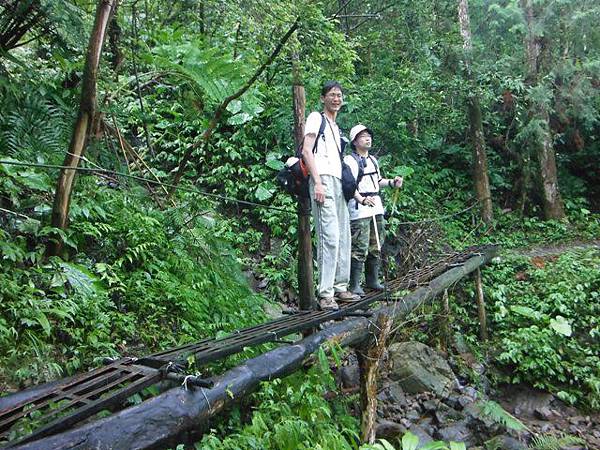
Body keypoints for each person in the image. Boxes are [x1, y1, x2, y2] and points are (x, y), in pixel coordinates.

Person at [302, 81, 359, 310]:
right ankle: (325, 293)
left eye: (339, 95)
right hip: (322, 180)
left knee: (344, 237)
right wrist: (317, 182)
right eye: (332, 95)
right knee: (330, 236)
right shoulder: (317, 118)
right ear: (323, 98)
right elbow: (307, 150)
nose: (336, 99)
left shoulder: (336, 128)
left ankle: (340, 287)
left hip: (338, 183)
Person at [344, 125, 403, 296]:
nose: (367, 139)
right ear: (355, 141)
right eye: (363, 136)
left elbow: (378, 181)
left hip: (375, 207)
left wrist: (392, 182)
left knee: (376, 243)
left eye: (369, 136)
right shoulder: (350, 160)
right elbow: (348, 184)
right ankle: (354, 284)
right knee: (359, 246)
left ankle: (372, 280)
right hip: (359, 209)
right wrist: (361, 199)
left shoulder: (373, 160)